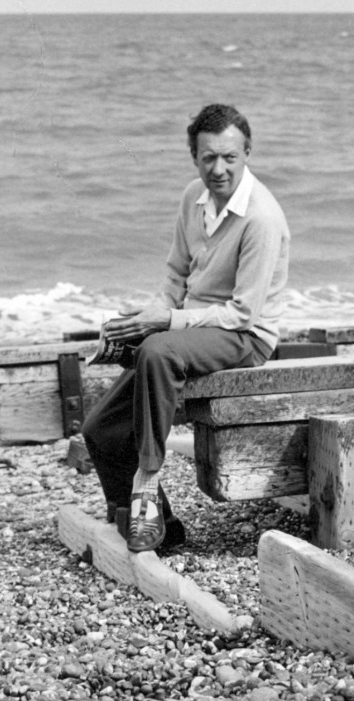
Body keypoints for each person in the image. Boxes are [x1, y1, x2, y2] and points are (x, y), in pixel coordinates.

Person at [81, 104, 290, 553]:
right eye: (208, 157)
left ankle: (147, 481)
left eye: (230, 157)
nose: (219, 169)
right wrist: (147, 317)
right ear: (194, 156)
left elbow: (243, 314)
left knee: (158, 351)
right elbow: (177, 274)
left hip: (245, 337)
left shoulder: (262, 218)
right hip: (189, 331)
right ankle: (156, 526)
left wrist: (169, 323)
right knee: (99, 428)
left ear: (248, 153)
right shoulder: (191, 198)